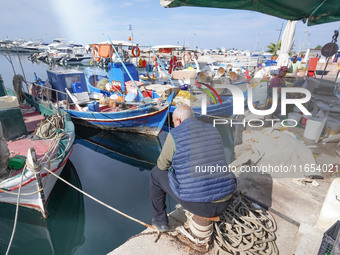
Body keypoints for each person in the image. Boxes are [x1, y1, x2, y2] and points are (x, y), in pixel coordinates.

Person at [149, 105, 237, 231]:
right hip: (226, 200)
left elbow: (162, 165)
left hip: (201, 206)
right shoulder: (212, 129)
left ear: (178, 120)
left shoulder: (174, 134)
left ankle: (160, 222)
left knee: (155, 173)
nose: (173, 125)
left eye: (173, 122)